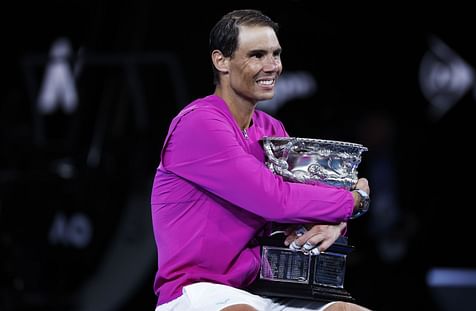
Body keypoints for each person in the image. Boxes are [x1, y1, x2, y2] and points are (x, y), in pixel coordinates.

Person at [150, 9, 371, 311]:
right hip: (197, 291)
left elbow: (304, 205)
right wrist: (353, 201)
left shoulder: (271, 130)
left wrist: (336, 224)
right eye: (256, 55)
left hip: (262, 288)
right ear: (221, 61)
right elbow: (275, 200)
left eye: (275, 54)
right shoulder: (198, 124)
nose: (272, 66)